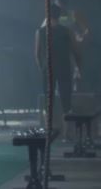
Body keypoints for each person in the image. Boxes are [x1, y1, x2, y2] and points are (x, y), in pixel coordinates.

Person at [35, 8, 82, 138]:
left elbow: (37, 54)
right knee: (66, 101)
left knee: (48, 101)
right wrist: (77, 67)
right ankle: (67, 133)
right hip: (64, 68)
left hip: (48, 69)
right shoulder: (66, 31)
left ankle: (49, 130)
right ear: (59, 16)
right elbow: (75, 51)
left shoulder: (40, 32)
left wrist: (42, 68)